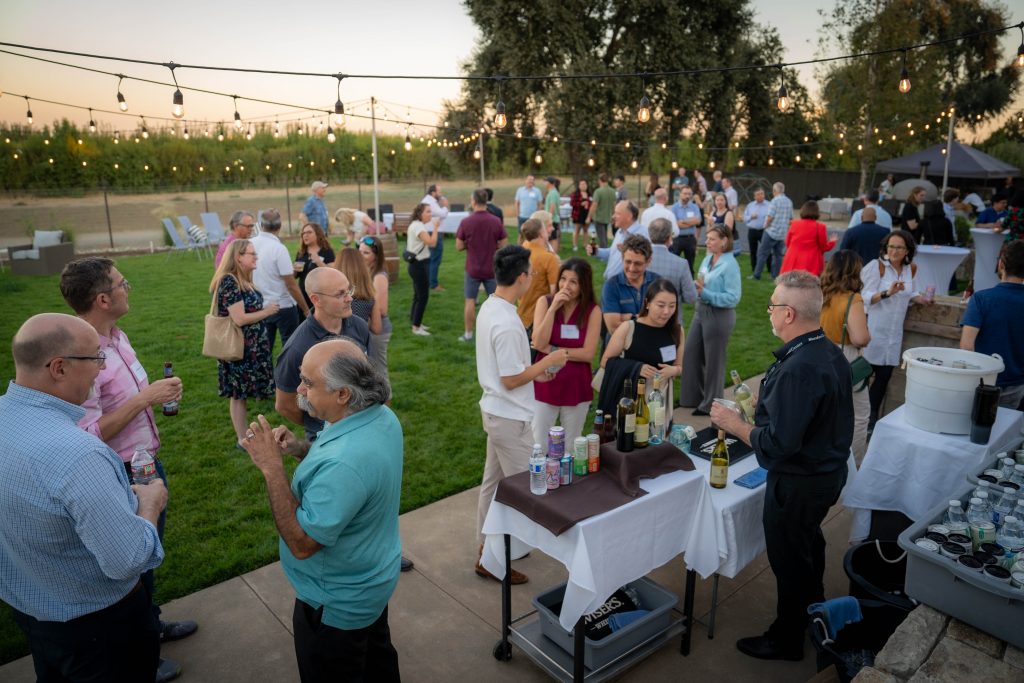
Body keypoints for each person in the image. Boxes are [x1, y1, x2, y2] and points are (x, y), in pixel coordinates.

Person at [0, 313, 167, 683]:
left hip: (33, 615)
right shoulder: (79, 455)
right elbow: (127, 561)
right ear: (59, 367)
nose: (100, 370)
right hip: (100, 630)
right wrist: (150, 504)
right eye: (95, 358)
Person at [59, 258, 194, 683]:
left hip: (144, 461)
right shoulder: (83, 355)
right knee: (130, 566)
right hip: (117, 473)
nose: (128, 288)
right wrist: (145, 399)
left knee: (148, 560)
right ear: (103, 298)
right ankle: (140, 658)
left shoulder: (118, 337)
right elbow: (87, 433)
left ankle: (149, 628)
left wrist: (156, 395)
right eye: (123, 284)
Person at [710, 271, 853, 662]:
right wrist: (769, 407)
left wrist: (734, 424)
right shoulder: (823, 350)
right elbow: (810, 416)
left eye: (772, 306)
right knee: (808, 543)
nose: (769, 312)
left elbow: (777, 447)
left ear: (788, 314)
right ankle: (815, 603)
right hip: (823, 474)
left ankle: (787, 638)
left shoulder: (800, 367)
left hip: (801, 482)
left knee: (789, 559)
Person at [241, 339, 402, 682]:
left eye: (309, 384)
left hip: (336, 603)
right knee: (378, 664)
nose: (298, 390)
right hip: (371, 580)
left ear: (343, 393)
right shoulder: (377, 415)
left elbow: (302, 543)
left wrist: (272, 469)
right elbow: (343, 474)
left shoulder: (345, 463)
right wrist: (300, 448)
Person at [474, 245, 569, 585]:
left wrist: (534, 371)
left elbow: (511, 371)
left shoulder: (491, 306)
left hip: (496, 411)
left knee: (492, 484)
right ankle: (496, 559)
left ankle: (487, 549)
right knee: (525, 490)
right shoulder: (508, 322)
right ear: (523, 277)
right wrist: (547, 362)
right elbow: (511, 379)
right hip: (510, 419)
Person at [274, 267, 370, 443]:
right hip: (327, 437)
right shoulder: (297, 347)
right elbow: (284, 405)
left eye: (349, 290)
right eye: (340, 294)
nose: (350, 298)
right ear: (316, 299)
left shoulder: (359, 326)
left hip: (361, 423)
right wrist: (317, 422)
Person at [210, 239, 279, 446]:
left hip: (252, 349)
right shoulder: (229, 281)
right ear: (238, 257)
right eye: (252, 254)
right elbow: (239, 318)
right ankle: (242, 438)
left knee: (242, 393)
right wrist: (267, 312)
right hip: (239, 349)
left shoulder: (244, 280)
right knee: (238, 394)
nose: (256, 257)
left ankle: (244, 435)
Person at [861, 230, 931, 427]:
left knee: (884, 378)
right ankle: (857, 414)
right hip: (874, 333)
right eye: (891, 246)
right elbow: (864, 296)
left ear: (907, 250)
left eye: (899, 247)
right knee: (862, 378)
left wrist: (921, 299)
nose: (894, 251)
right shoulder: (876, 267)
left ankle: (871, 419)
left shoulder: (911, 269)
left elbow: (911, 292)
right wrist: (887, 292)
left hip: (893, 336)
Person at [531, 258, 602, 445]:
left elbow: (588, 354)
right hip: (546, 380)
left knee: (571, 444)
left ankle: (567, 475)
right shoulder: (545, 302)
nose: (566, 286)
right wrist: (553, 308)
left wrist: (552, 350)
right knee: (539, 441)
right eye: (563, 279)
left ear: (583, 285)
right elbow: (538, 341)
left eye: (573, 282)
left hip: (576, 384)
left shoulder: (592, 311)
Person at [600, 278, 684, 420]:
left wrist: (674, 370)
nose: (666, 312)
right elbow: (605, 362)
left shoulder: (677, 331)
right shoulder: (628, 328)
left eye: (672, 306)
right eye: (661, 305)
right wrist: (637, 368)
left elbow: (679, 365)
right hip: (629, 403)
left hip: (659, 403)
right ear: (647, 303)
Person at [680, 225, 741, 415]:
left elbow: (733, 297)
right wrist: (697, 288)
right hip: (701, 311)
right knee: (691, 352)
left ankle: (710, 405)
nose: (707, 241)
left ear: (724, 241)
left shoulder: (730, 265)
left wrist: (705, 293)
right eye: (707, 238)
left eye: (712, 239)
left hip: (719, 315)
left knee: (714, 361)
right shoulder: (707, 258)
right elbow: (701, 280)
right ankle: (693, 398)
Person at [819, 250, 872, 463]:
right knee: (859, 415)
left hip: (820, 353)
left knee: (825, 414)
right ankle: (853, 465)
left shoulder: (821, 293)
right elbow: (860, 338)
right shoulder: (852, 299)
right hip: (845, 356)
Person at [961, 240, 1024, 409]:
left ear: (1001, 264)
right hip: (1017, 384)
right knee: (1006, 433)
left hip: (983, 382)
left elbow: (966, 346)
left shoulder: (981, 298)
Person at [456, 188, 508, 342]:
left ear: (473, 202)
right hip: (491, 268)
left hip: (472, 267)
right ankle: (499, 334)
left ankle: (468, 334)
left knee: (470, 301)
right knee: (497, 302)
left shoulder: (466, 221)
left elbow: (458, 246)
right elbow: (504, 244)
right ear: (486, 201)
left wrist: (469, 244)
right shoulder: (495, 220)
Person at [253, 209, 309, 349]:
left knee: (264, 350)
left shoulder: (249, 244)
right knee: (290, 349)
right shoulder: (278, 248)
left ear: (261, 225)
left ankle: (267, 372)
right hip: (283, 306)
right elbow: (291, 285)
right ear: (279, 226)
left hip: (259, 305)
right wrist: (306, 310)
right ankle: (286, 372)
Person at [601, 234, 659, 337]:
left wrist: (627, 318)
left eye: (638, 263)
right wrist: (645, 319)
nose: (631, 268)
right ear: (622, 258)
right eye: (628, 262)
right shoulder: (611, 286)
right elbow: (613, 328)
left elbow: (663, 320)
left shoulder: (658, 283)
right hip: (619, 348)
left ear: (649, 261)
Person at [647, 217, 698, 324]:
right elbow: (691, 297)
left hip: (645, 319)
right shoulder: (681, 264)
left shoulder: (639, 261)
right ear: (669, 237)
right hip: (671, 321)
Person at [358, 236, 393, 378]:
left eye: (366, 253)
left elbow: (382, 309)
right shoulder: (366, 271)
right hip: (369, 326)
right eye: (359, 251)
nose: (361, 255)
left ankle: (386, 400)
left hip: (377, 329)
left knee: (379, 370)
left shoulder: (379, 276)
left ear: (376, 256)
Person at [516, 218, 560, 330]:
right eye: (545, 228)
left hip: (521, 313)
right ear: (541, 234)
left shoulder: (521, 250)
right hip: (541, 317)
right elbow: (554, 292)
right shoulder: (549, 258)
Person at [587, 201, 648, 279]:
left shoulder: (642, 235)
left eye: (617, 213)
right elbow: (612, 253)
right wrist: (596, 251)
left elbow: (644, 262)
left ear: (629, 216)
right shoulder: (620, 231)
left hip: (625, 286)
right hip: (612, 283)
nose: (613, 216)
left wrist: (628, 252)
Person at [406, 202, 440, 336]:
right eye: (428, 211)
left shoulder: (416, 225)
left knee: (417, 295)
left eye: (431, 211)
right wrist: (436, 227)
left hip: (416, 265)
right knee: (423, 296)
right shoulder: (418, 226)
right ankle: (416, 327)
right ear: (420, 214)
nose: (430, 214)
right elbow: (432, 242)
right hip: (419, 265)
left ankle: (415, 321)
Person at [779, 201, 836, 277]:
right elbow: (824, 247)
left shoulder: (794, 224)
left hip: (792, 259)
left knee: (788, 284)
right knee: (807, 285)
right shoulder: (820, 227)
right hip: (810, 262)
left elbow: (787, 243)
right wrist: (832, 242)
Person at [751, 182, 794, 281]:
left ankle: (756, 275)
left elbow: (770, 216)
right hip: (782, 233)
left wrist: (765, 226)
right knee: (778, 256)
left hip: (771, 232)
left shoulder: (774, 201)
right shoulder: (789, 201)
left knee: (762, 253)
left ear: (775, 191)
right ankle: (775, 276)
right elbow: (791, 218)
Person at [338, 248, 381, 335]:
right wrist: (364, 322)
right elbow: (377, 329)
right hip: (360, 343)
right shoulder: (369, 296)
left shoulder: (334, 297)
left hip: (336, 342)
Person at [294, 222, 336, 311]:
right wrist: (294, 270)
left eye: (309, 232)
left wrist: (318, 261)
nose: (305, 235)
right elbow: (295, 276)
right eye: (303, 233)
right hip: (303, 296)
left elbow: (332, 273)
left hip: (321, 295)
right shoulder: (301, 253)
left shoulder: (327, 251)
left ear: (318, 234)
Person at [421, 184, 450, 292]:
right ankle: (433, 284)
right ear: (433, 193)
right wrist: (445, 206)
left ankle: (429, 280)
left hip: (429, 231)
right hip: (433, 232)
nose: (441, 194)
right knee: (435, 258)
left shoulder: (429, 201)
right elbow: (442, 214)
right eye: (439, 192)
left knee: (430, 258)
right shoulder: (430, 202)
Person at [670, 185, 703, 276]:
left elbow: (698, 221)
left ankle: (690, 285)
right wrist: (690, 222)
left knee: (690, 265)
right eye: (685, 193)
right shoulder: (674, 207)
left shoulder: (694, 207)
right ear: (680, 194)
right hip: (677, 239)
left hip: (690, 239)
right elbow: (675, 224)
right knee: (674, 264)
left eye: (689, 194)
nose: (687, 196)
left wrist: (683, 221)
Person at [743, 187, 771, 272]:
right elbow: (744, 218)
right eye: (758, 194)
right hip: (752, 231)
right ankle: (754, 269)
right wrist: (751, 216)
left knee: (767, 251)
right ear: (754, 196)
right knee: (753, 251)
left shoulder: (769, 205)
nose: (760, 196)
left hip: (764, 231)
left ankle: (770, 269)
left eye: (762, 194)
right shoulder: (750, 205)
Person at [587, 173, 617, 248]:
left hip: (599, 217)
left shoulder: (598, 191)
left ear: (599, 180)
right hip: (608, 216)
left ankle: (603, 252)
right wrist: (614, 215)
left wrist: (589, 216)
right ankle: (606, 249)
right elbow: (614, 205)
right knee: (605, 235)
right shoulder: (612, 191)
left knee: (601, 237)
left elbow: (594, 205)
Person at [569, 179, 592, 252]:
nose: (583, 186)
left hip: (587, 214)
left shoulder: (589, 194)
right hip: (578, 214)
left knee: (586, 230)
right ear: (579, 186)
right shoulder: (575, 194)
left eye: (585, 184)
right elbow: (572, 203)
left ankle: (585, 245)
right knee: (577, 230)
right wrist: (580, 204)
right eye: (581, 184)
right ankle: (575, 245)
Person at [544, 176, 562, 252]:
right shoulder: (552, 192)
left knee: (553, 238)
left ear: (550, 183)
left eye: (546, 181)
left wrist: (549, 218)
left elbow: (552, 206)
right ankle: (551, 253)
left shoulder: (553, 193)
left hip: (552, 219)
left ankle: (554, 254)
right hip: (552, 219)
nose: (544, 183)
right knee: (551, 238)